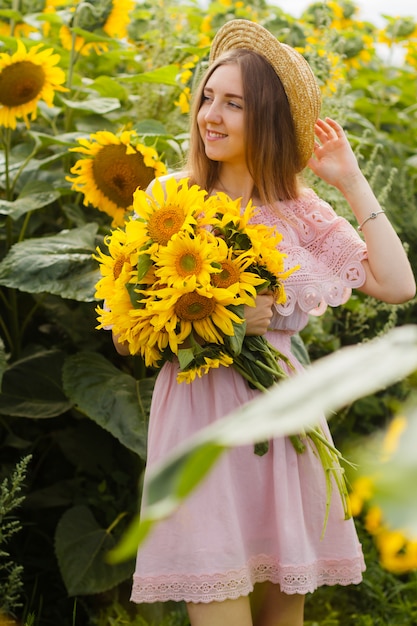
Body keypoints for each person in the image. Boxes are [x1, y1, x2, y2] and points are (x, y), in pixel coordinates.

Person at [113, 19, 416, 626]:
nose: (210, 116)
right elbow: (127, 331)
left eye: (235, 104)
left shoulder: (300, 211)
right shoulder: (170, 200)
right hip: (199, 419)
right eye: (208, 98)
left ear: (271, 120)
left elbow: (399, 285)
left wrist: (351, 182)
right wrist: (202, 317)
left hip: (283, 422)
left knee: (285, 615)